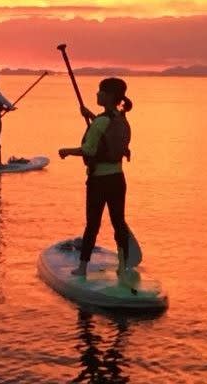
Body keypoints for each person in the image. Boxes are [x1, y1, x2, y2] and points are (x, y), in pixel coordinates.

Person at [58, 77, 133, 277]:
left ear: (109, 96)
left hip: (99, 181)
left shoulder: (101, 121)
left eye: (100, 91)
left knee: (93, 224)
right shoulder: (121, 118)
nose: (97, 94)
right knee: (119, 222)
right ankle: (123, 267)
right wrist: (90, 115)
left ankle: (82, 268)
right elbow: (106, 132)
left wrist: (66, 151)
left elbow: (89, 150)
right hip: (118, 179)